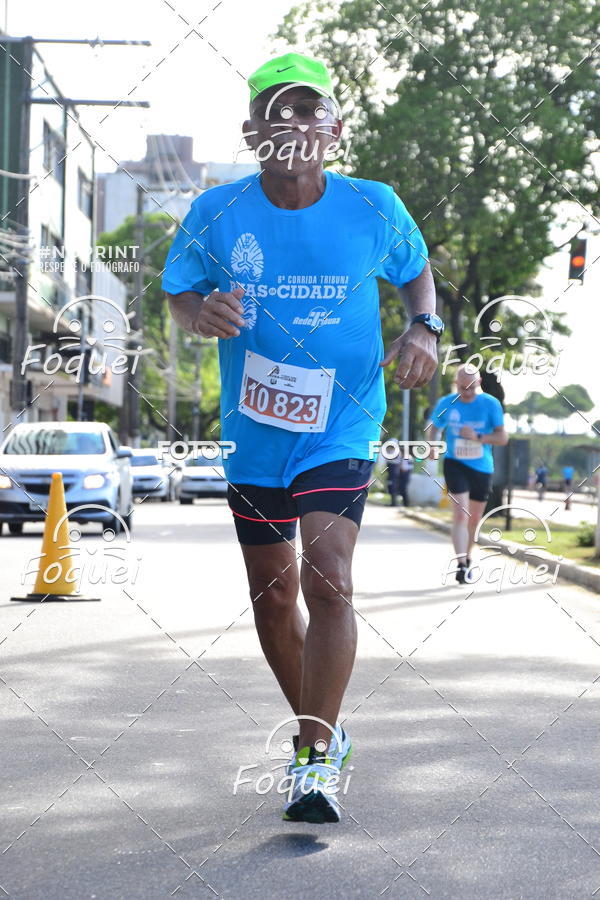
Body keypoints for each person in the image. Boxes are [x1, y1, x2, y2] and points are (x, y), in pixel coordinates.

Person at [162, 51, 442, 823]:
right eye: (275, 113)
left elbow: (417, 276)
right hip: (254, 429)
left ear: (335, 129)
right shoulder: (216, 212)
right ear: (252, 131)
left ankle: (312, 761)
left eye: (308, 110)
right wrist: (198, 314)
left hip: (344, 418)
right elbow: (179, 292)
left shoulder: (374, 205)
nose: (292, 125)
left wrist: (426, 326)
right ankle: (327, 725)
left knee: (327, 576)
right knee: (273, 595)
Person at [427, 365, 507, 583]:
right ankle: (461, 565)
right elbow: (434, 426)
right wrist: (432, 445)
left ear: (479, 383)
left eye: (471, 387)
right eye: (462, 388)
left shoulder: (490, 404)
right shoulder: (447, 403)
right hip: (455, 463)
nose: (467, 392)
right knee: (461, 515)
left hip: (482, 467)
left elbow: (502, 438)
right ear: (456, 384)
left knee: (474, 519)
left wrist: (478, 437)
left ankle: (468, 556)